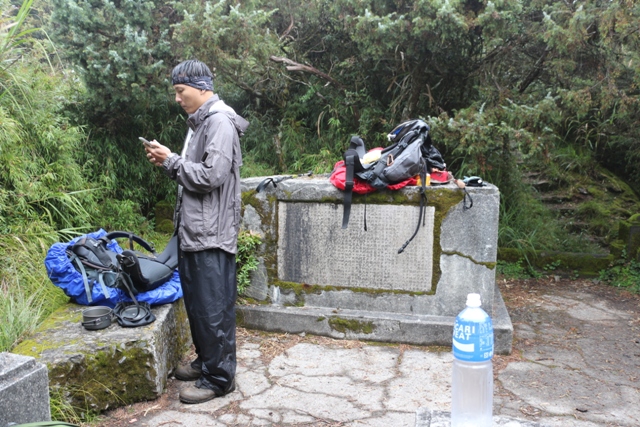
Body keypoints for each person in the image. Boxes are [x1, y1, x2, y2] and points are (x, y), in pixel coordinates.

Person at [144, 59, 249, 404]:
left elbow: (210, 176)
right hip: (195, 231)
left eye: (180, 91)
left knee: (213, 307)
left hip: (211, 234)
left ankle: (220, 379)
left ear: (202, 87)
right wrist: (168, 162)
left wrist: (172, 160)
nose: (177, 98)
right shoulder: (201, 122)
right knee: (199, 305)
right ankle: (207, 362)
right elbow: (193, 173)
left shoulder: (218, 122)